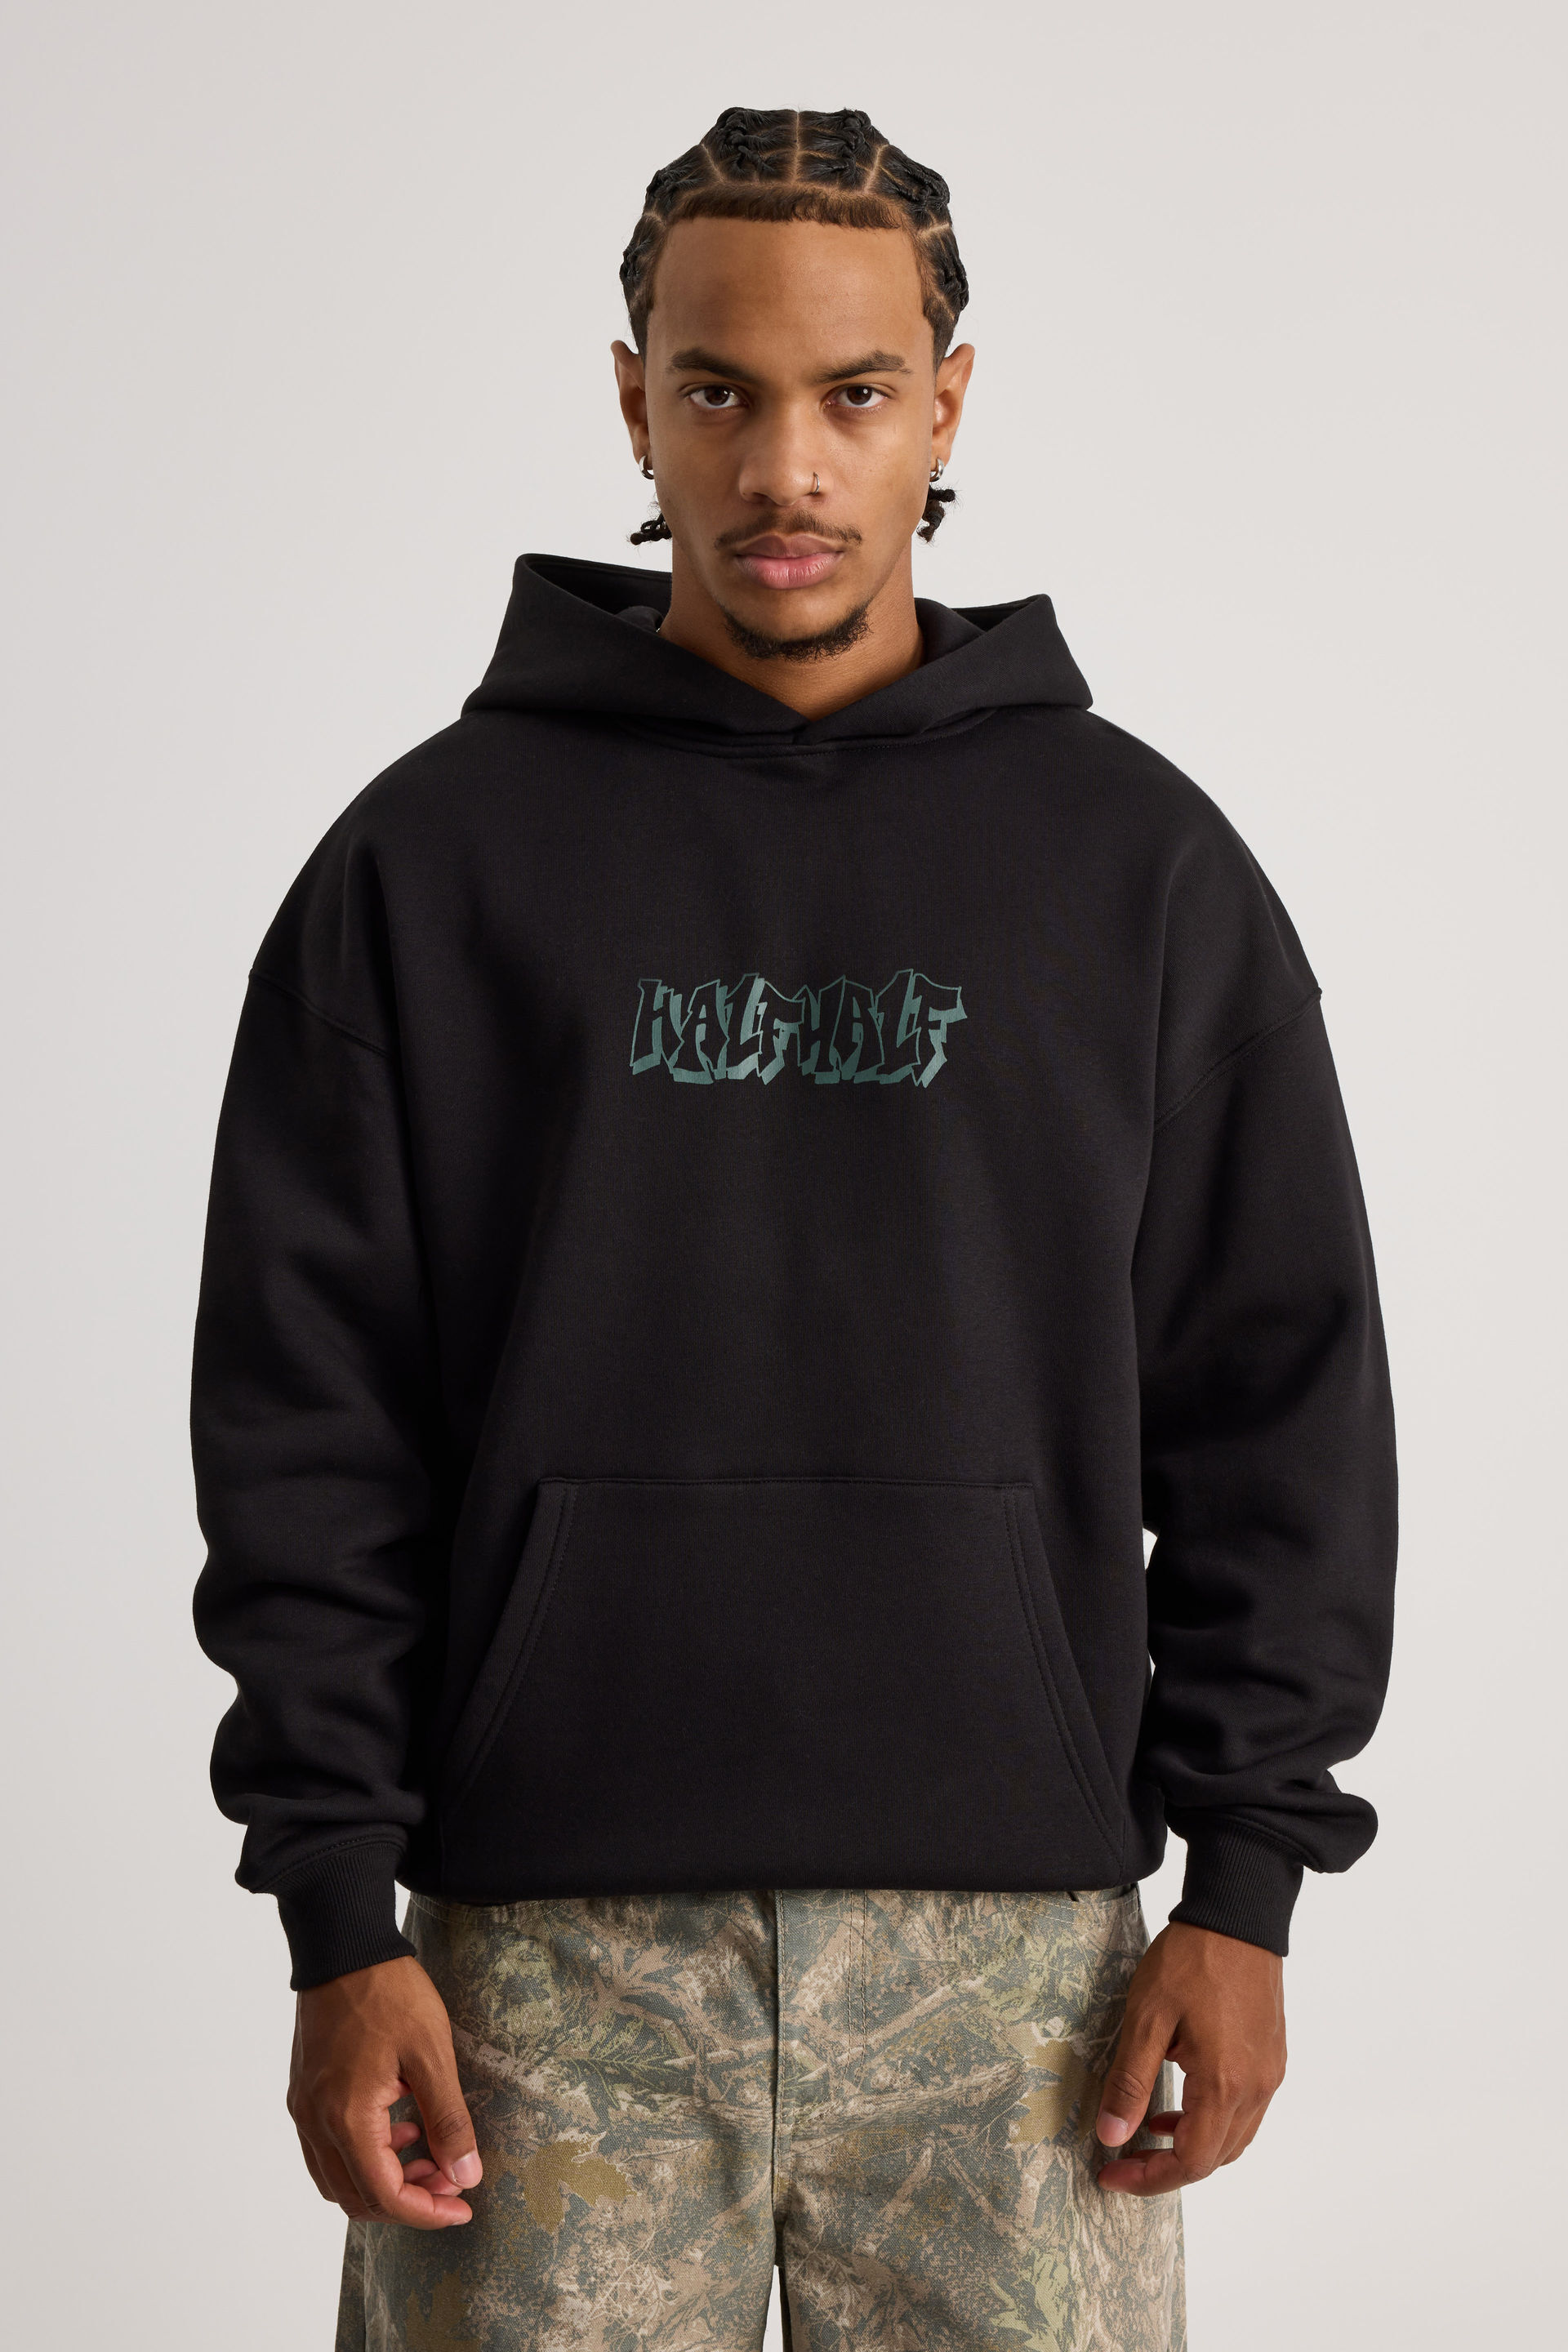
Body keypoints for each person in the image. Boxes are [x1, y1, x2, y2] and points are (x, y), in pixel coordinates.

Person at [192, 105, 1397, 2352]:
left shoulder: (1141, 871)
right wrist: (338, 1917)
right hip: (538, 1972)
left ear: (949, 405)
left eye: (853, 396)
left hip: (1020, 1982)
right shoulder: (427, 870)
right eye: (719, 392)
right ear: (631, 400)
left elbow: (1284, 1407)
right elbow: (307, 1424)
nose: (785, 470)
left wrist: (1248, 1882)